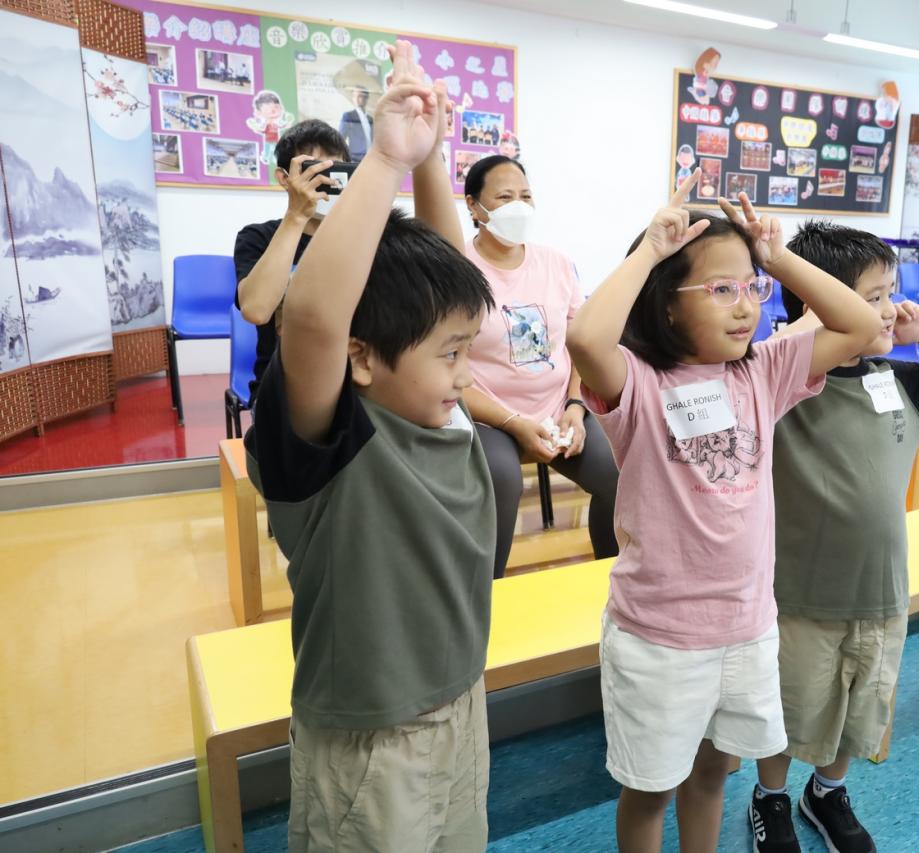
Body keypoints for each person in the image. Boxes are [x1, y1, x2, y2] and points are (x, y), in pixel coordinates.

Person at [566, 175, 884, 853]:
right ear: (667, 305)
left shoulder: (761, 370)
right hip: (660, 638)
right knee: (651, 790)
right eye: (720, 289)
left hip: (746, 628)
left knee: (714, 774)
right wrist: (650, 252)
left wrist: (778, 258)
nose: (745, 307)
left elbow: (860, 325)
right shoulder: (639, 383)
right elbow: (586, 339)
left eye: (751, 288)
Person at [244, 42, 496, 850]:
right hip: (370, 741)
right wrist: (385, 159)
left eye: (465, 350)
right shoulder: (334, 440)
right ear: (361, 358)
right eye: (450, 355)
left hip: (461, 701)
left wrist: (432, 154)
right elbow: (314, 319)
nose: (466, 372)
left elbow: (449, 283)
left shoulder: (438, 408)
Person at [748, 223, 919, 853]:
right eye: (871, 297)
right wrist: (811, 321)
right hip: (800, 594)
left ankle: (827, 791)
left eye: (890, 293)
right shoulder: (784, 386)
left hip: (881, 591)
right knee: (790, 706)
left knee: (860, 706)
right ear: (818, 302)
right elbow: (754, 364)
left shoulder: (898, 379)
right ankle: (770, 796)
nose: (886, 310)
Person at [448, 154, 619, 577]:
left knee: (621, 471)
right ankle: (485, 593)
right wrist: (515, 423)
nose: (518, 207)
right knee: (501, 480)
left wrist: (576, 405)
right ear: (473, 206)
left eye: (525, 196)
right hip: (490, 416)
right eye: (504, 197)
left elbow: (579, 342)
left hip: (560, 409)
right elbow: (448, 369)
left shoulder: (556, 263)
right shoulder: (457, 269)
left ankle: (613, 581)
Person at [234, 120, 348, 405]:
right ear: (284, 178)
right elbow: (256, 310)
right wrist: (297, 216)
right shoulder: (258, 237)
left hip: (353, 385)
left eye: (335, 171)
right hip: (284, 391)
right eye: (313, 171)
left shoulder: (362, 239)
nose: (325, 181)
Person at [338, 86, 373, 160]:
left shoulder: (370, 119)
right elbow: (340, 138)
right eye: (354, 96)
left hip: (370, 158)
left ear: (366, 98)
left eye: (359, 96)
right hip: (355, 159)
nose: (356, 99)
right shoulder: (348, 115)